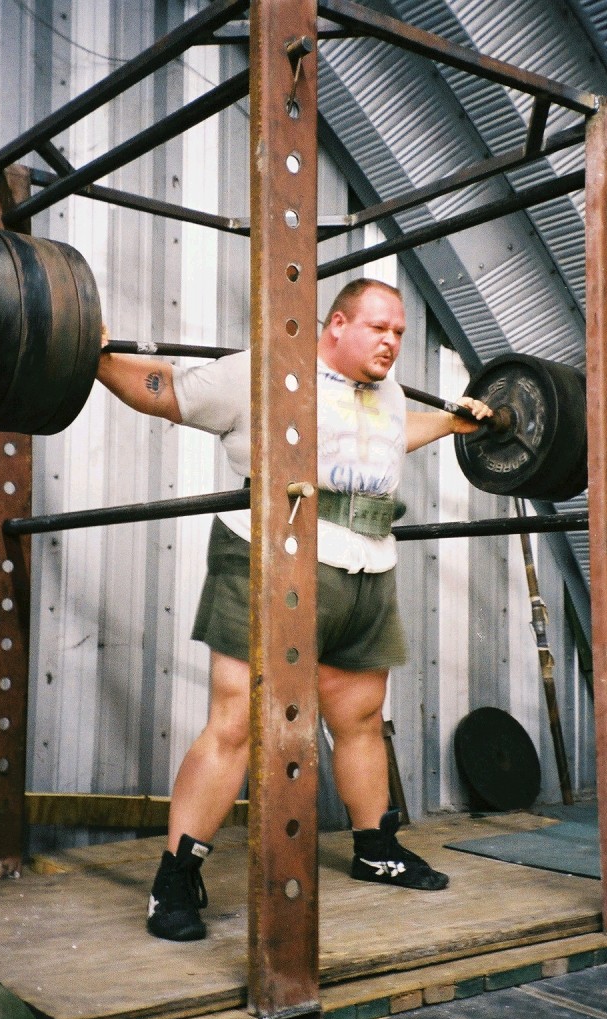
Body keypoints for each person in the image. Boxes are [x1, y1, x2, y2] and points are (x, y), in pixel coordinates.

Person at [96, 279, 492, 942]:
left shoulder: (385, 393)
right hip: (269, 552)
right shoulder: (264, 375)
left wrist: (453, 424)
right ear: (336, 325)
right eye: (378, 328)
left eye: (398, 331)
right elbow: (166, 392)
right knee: (235, 722)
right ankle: (175, 877)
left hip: (366, 564)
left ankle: (376, 848)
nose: (393, 342)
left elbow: (393, 437)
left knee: (361, 718)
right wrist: (97, 360)